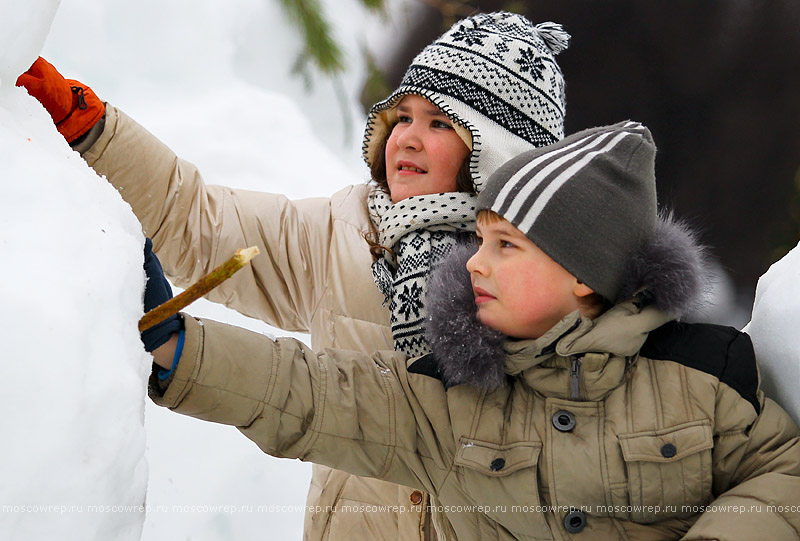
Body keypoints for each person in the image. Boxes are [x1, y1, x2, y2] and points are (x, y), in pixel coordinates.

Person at [17, 12, 572, 540]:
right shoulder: (344, 234)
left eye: (440, 123)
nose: (406, 136)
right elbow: (196, 219)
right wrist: (93, 129)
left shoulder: (556, 278)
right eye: (402, 116)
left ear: (497, 153)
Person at [143, 120, 800, 540]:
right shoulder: (452, 388)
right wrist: (182, 350)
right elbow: (313, 393)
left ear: (582, 273)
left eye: (505, 246)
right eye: (479, 239)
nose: (473, 263)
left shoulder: (706, 375)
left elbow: (782, 470)